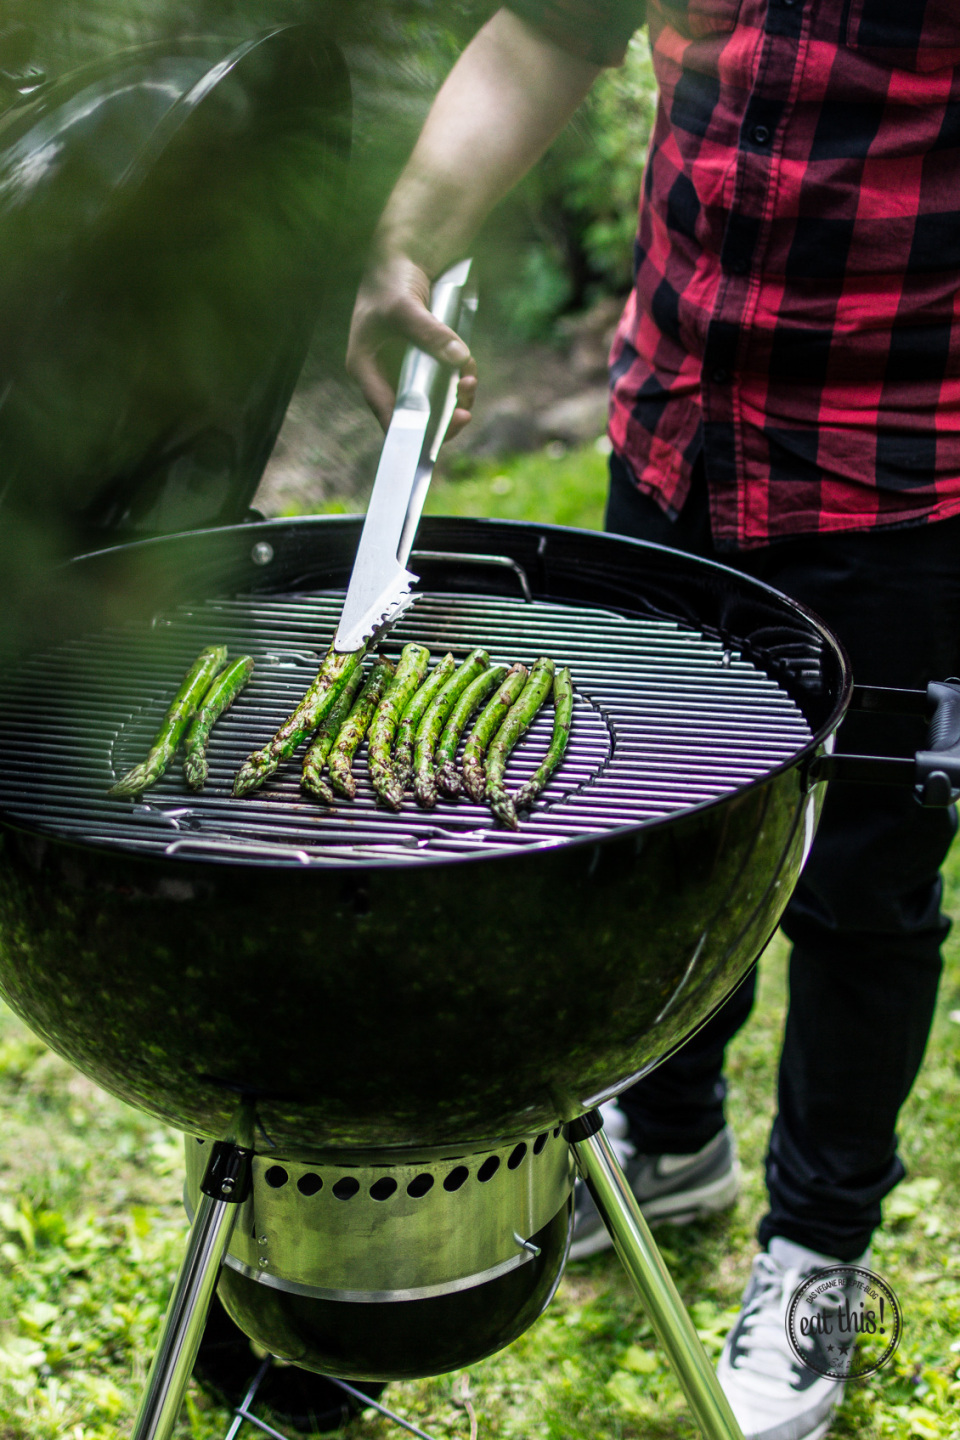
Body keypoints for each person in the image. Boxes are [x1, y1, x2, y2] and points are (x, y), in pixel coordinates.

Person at [346, 5, 960, 1437]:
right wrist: (401, 236)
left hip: (904, 468)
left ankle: (816, 1263)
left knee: (863, 891)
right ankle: (671, 1139)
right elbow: (549, 34)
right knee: (653, 814)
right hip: (680, 417)